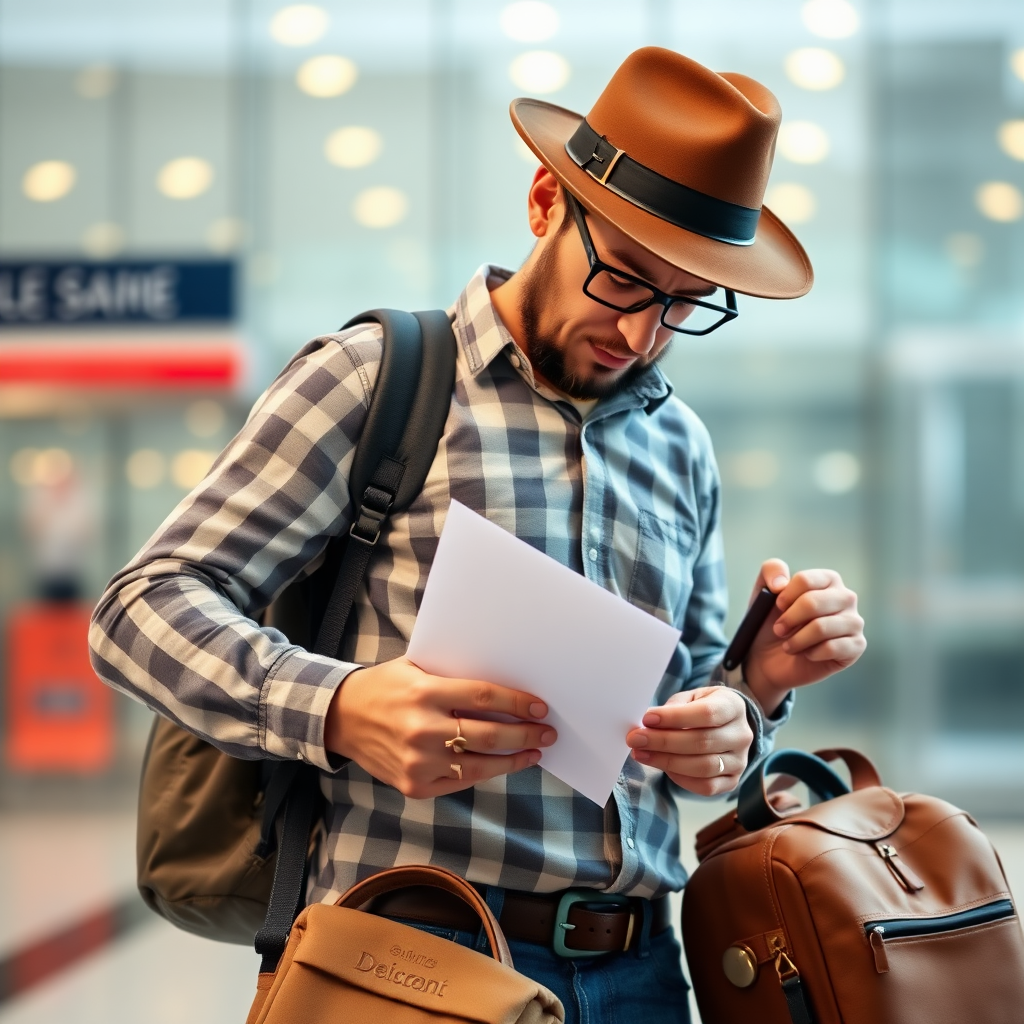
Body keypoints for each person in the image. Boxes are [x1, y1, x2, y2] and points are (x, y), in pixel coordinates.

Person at [90, 47, 865, 1024]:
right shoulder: (380, 378)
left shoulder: (681, 443)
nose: (641, 336)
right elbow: (138, 607)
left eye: (685, 303)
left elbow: (680, 706)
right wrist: (339, 706)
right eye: (625, 280)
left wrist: (749, 701)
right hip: (408, 953)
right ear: (546, 201)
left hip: (642, 968)